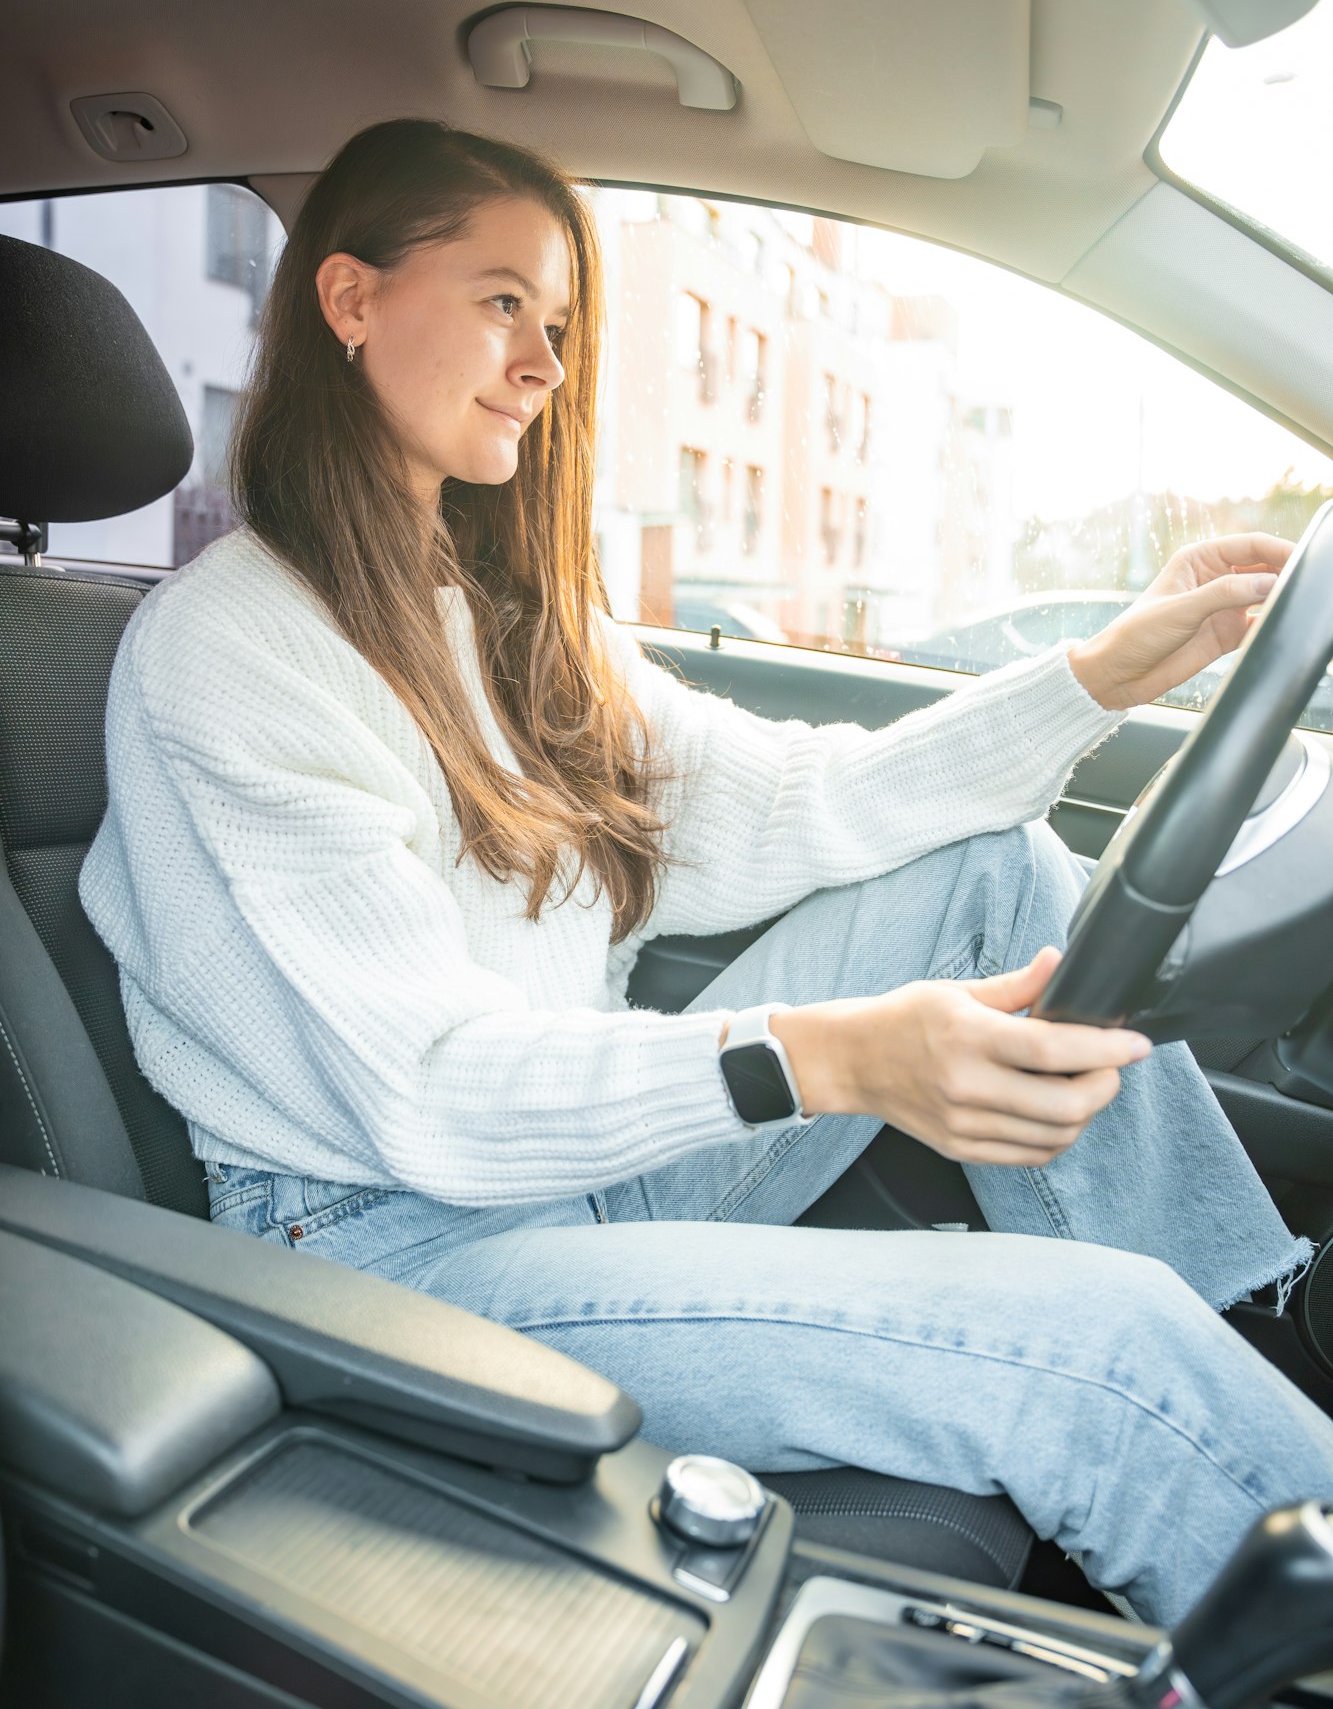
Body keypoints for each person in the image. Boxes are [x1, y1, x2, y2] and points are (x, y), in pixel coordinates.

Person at [80, 117, 1333, 1628]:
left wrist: (1096, 677)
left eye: (554, 323)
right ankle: (1204, 1415)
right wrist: (835, 1057)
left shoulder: (500, 619)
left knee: (993, 867)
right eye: (499, 303)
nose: (544, 364)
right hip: (395, 1248)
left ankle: (1252, 1357)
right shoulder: (230, 652)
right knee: (1101, 1352)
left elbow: (802, 803)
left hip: (584, 1169)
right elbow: (427, 1087)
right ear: (349, 300)